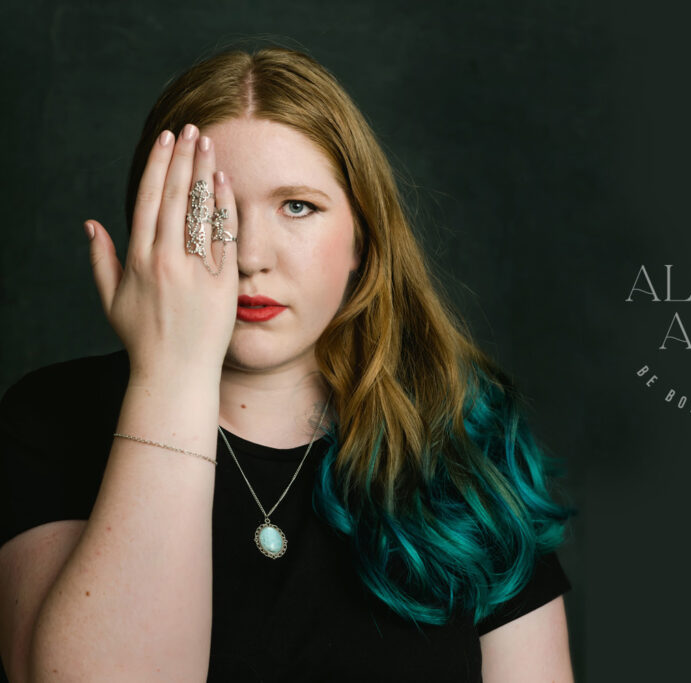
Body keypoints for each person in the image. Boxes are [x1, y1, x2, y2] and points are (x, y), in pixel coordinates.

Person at [0, 45, 576, 682]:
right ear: (151, 226)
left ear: (363, 235)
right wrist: (173, 371)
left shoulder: (462, 437)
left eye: (297, 206)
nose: (248, 255)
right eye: (207, 210)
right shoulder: (50, 419)